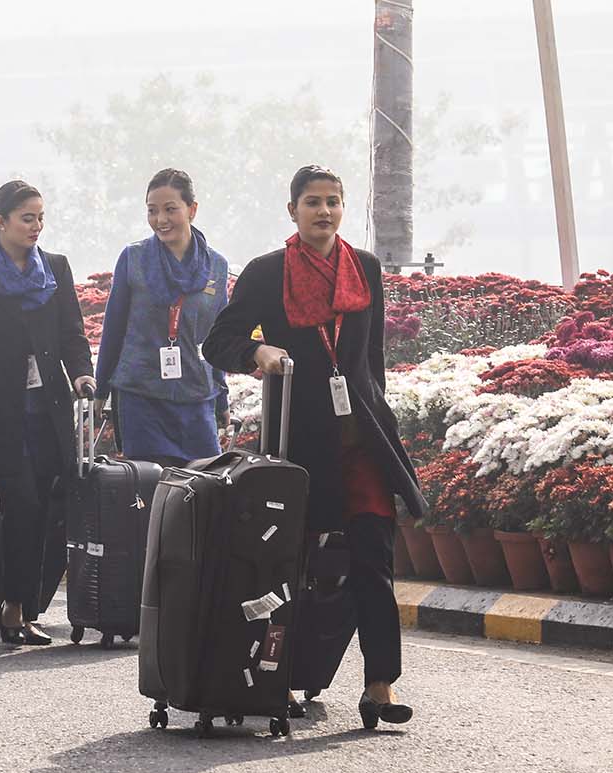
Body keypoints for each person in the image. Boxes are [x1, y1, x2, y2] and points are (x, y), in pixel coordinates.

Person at [201, 165, 426, 727]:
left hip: (361, 441)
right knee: (289, 566)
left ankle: (380, 686)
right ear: (292, 210)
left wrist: (376, 411)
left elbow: (371, 358)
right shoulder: (267, 272)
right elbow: (218, 341)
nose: (323, 211)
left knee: (373, 557)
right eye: (312, 202)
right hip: (298, 443)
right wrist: (258, 352)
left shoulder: (365, 268)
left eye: (332, 201)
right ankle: (277, 678)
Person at [0, 179, 96, 646]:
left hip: (48, 410)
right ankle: (11, 607)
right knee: (22, 502)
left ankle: (27, 606)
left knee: (49, 506)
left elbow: (72, 334)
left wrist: (82, 374)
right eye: (27, 218)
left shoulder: (55, 267)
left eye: (41, 217)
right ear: (0, 221)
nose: (36, 226)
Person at [94, 168, 230, 468]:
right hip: (141, 397)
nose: (160, 219)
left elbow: (218, 338)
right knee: (149, 487)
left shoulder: (216, 267)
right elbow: (113, 330)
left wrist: (221, 396)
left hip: (197, 397)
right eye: (152, 211)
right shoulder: (133, 258)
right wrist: (101, 390)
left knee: (203, 485)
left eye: (170, 209)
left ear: (192, 210)